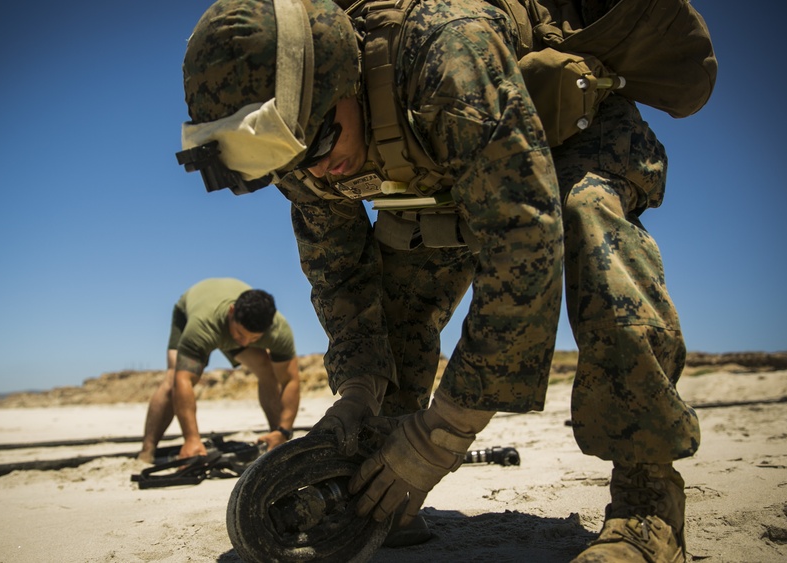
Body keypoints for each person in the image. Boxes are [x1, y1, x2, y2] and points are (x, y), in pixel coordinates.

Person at [178, 0, 706, 560]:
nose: (314, 169)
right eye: (291, 162)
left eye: (324, 143)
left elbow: (523, 239)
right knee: (395, 300)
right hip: (447, 168)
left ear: (347, 79)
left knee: (587, 221)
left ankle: (648, 504)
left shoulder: (449, 51)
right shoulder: (298, 140)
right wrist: (359, 391)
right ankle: (380, 494)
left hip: (559, 135)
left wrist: (446, 432)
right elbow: (342, 279)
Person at [137, 278, 300, 464]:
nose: (244, 343)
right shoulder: (202, 325)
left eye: (254, 338)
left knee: (266, 368)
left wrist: (284, 430)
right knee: (173, 377)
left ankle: (276, 440)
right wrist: (191, 439)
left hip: (225, 324)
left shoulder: (279, 331)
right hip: (193, 314)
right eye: (241, 334)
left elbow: (290, 380)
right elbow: (184, 380)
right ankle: (146, 451)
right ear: (231, 312)